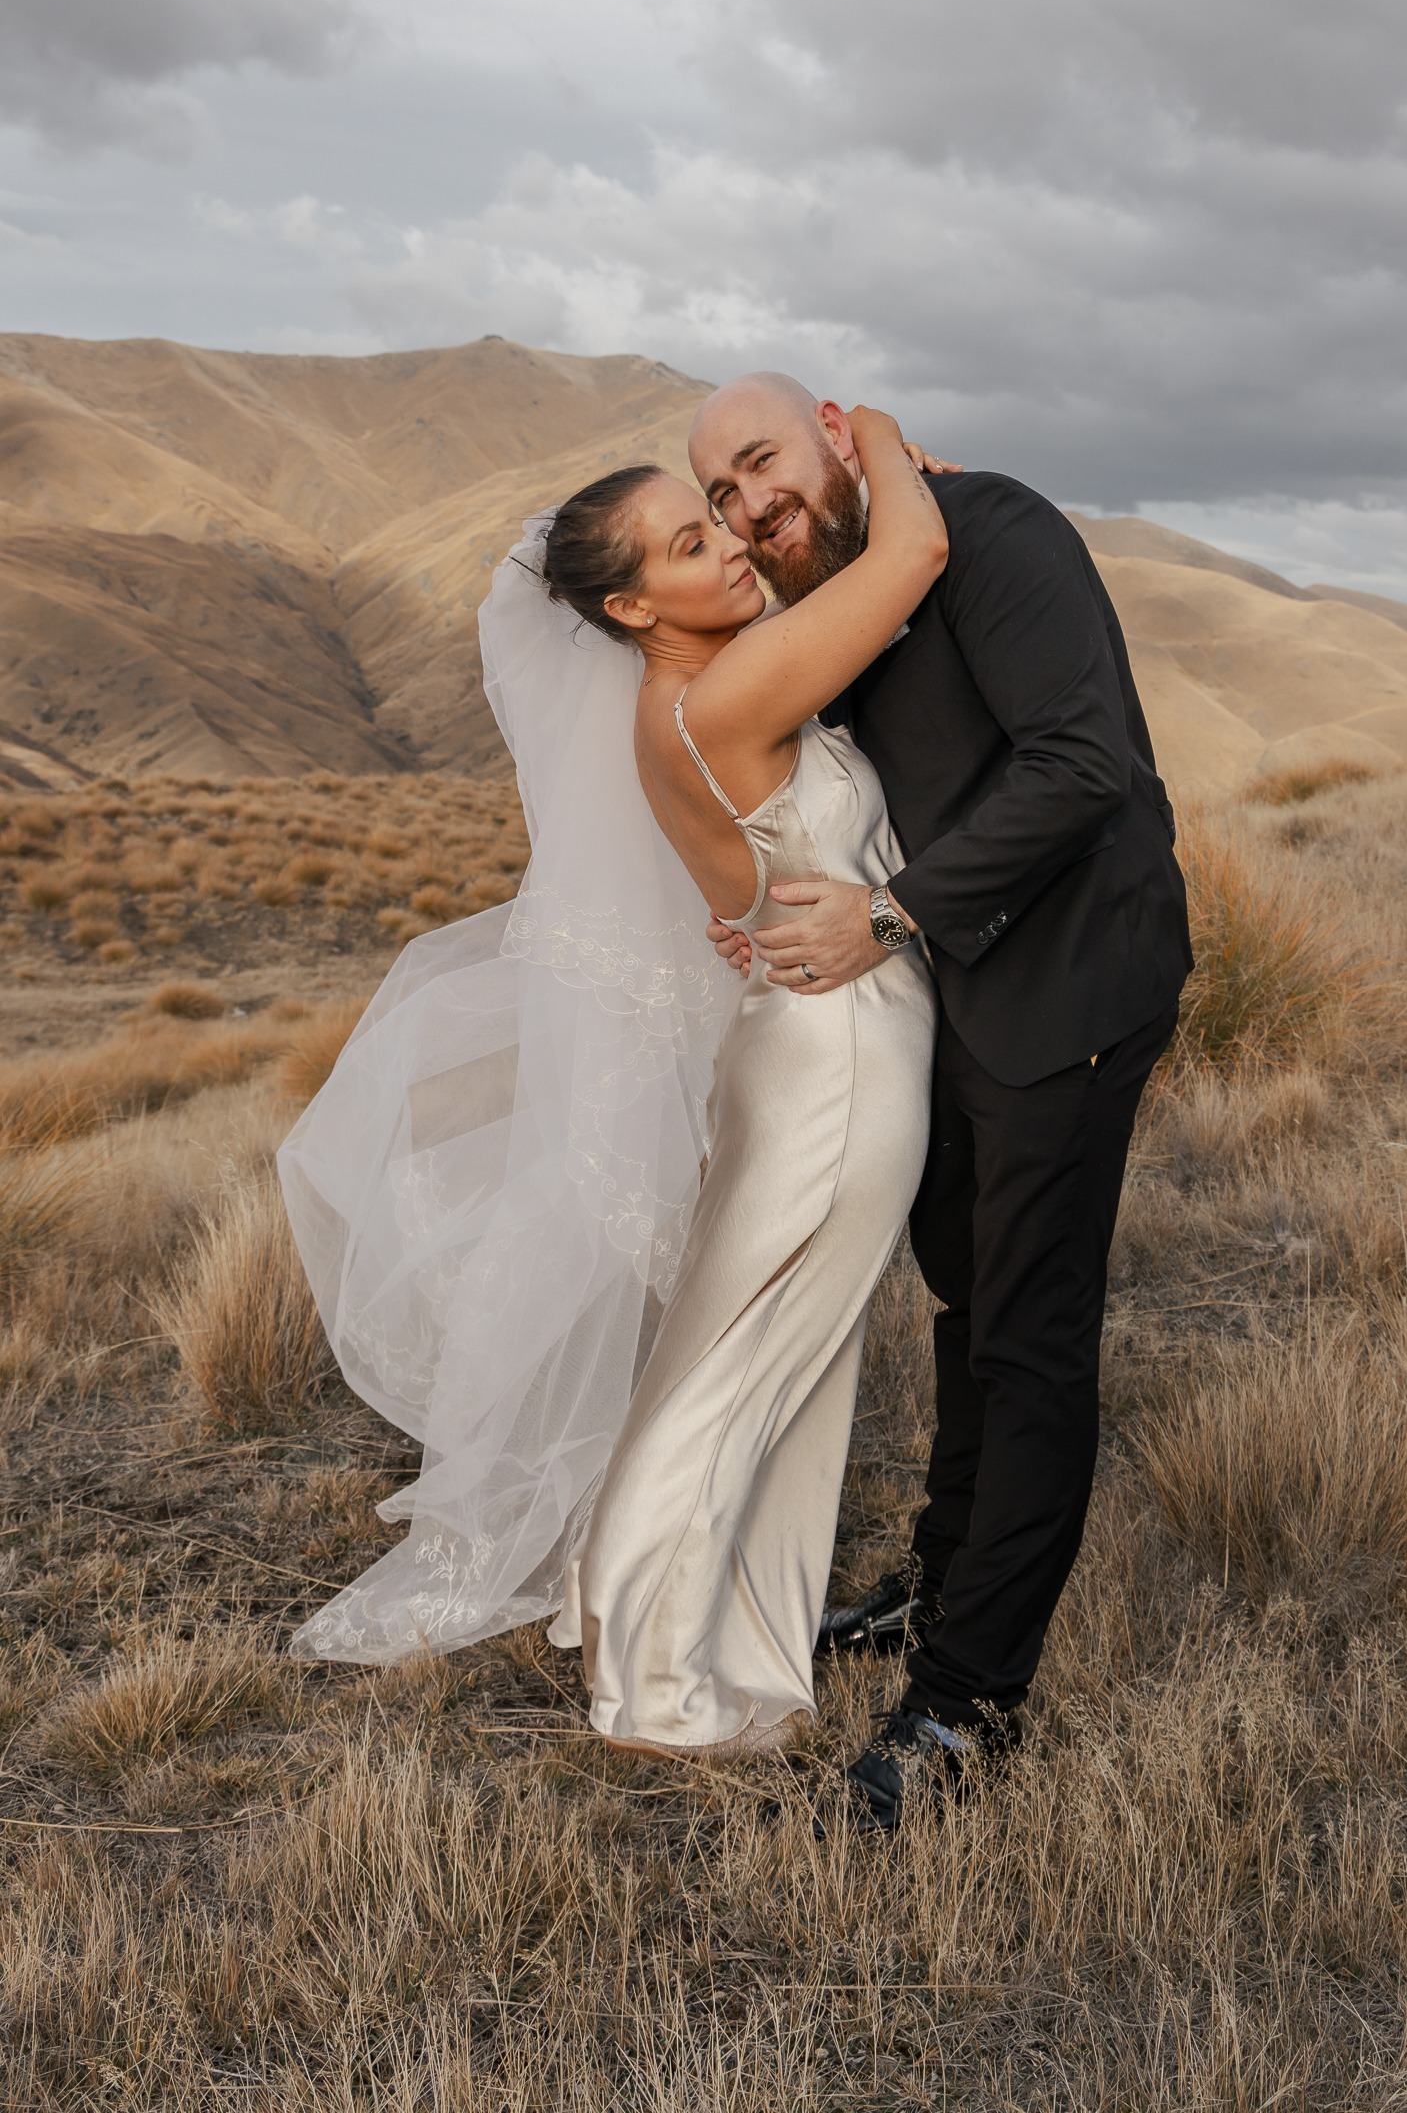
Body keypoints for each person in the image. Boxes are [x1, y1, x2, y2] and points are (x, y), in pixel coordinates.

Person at [281, 407, 946, 1759]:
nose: (731, 550)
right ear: (637, 605)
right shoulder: (722, 697)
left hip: (821, 1039)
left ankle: (721, 1641)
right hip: (844, 1062)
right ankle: (655, 1681)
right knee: (730, 1375)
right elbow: (917, 548)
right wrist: (861, 430)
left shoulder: (707, 688)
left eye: (721, 524)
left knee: (776, 1369)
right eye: (695, 541)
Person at [689, 373, 1192, 1830]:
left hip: (1074, 991)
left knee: (1030, 1335)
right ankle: (944, 1584)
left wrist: (893, 915)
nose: (747, 502)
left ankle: (969, 1699)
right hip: (954, 1003)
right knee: (969, 1302)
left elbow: (1085, 765)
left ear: (836, 435)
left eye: (762, 461)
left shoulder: (998, 529)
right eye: (722, 493)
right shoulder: (838, 602)